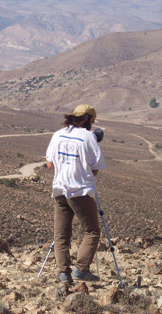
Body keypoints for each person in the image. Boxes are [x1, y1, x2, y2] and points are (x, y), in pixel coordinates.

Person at [46, 104, 106, 283]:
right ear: (88, 119)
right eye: (92, 121)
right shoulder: (88, 137)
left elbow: (50, 165)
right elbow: (96, 167)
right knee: (92, 231)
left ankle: (63, 273)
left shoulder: (58, 134)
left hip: (59, 189)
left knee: (61, 235)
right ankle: (81, 269)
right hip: (79, 190)